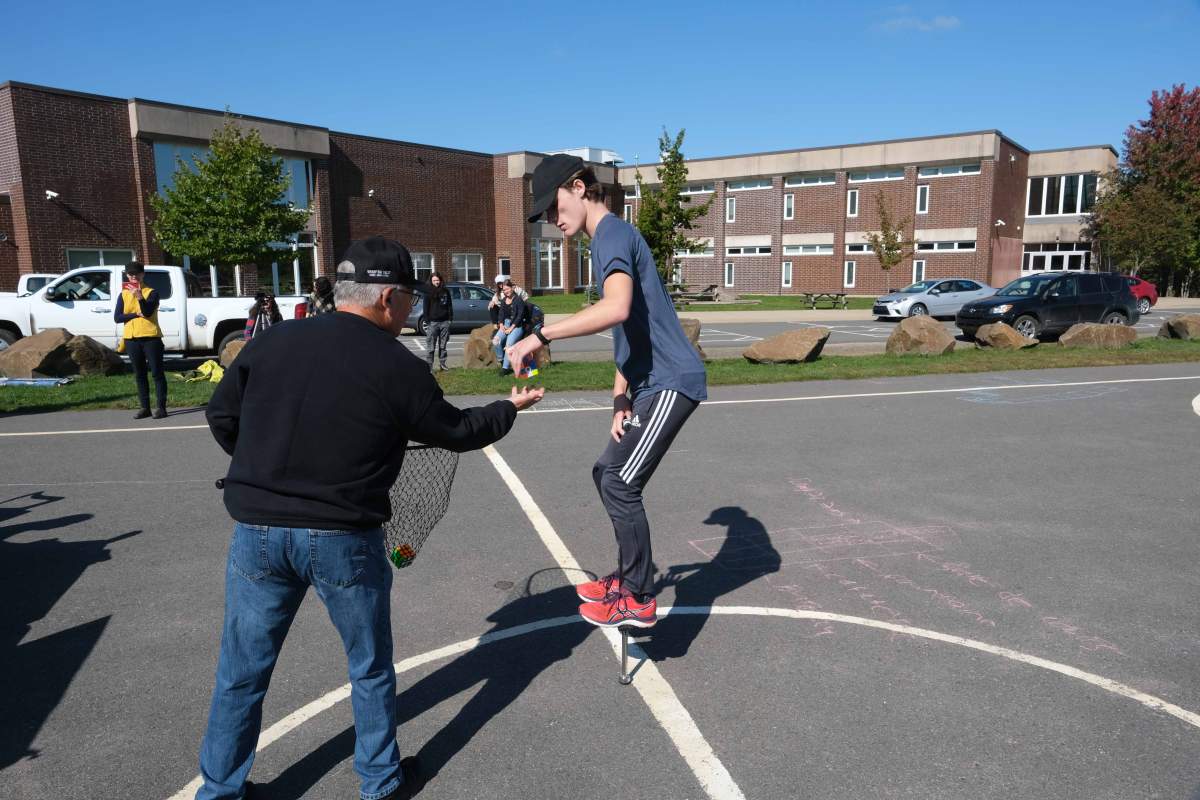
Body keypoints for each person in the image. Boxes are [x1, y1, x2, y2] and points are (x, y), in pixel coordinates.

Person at [200, 236, 544, 800]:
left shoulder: (274, 342)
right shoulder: (394, 363)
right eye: (408, 298)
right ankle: (380, 781)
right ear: (387, 297)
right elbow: (454, 431)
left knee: (241, 672)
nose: (410, 309)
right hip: (343, 536)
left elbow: (223, 417)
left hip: (257, 532)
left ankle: (219, 790)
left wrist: (263, 472)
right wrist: (509, 407)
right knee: (369, 666)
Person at [507, 154, 707, 629]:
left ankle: (637, 596)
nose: (553, 221)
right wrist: (620, 396)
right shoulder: (606, 240)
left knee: (620, 482)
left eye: (553, 207)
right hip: (646, 385)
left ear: (578, 187)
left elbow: (616, 309)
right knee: (606, 472)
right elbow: (629, 331)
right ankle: (628, 578)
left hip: (671, 381)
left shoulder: (612, 234)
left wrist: (541, 334)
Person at [112, 261, 168, 420]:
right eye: (130, 274)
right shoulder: (123, 294)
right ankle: (145, 408)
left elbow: (148, 312)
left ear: (143, 274)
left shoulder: (152, 292)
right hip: (131, 339)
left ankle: (161, 408)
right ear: (127, 275)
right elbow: (117, 317)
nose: (133, 276)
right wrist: (136, 314)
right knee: (139, 374)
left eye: (136, 273)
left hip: (151, 337)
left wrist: (140, 298)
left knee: (157, 373)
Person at [492, 279, 525, 375]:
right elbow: (501, 314)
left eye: (507, 289)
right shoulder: (503, 300)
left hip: (517, 326)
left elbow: (520, 316)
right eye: (504, 290)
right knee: (496, 341)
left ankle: (505, 368)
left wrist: (511, 328)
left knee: (508, 346)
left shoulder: (518, 300)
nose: (506, 292)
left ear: (512, 288)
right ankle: (501, 360)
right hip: (505, 324)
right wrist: (501, 325)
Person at [422, 272, 453, 370]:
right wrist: (427, 321)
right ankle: (429, 366)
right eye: (434, 280)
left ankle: (442, 364)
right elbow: (425, 307)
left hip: (445, 322)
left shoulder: (445, 291)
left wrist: (450, 319)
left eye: (438, 280)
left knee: (443, 345)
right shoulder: (428, 292)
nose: (436, 282)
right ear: (431, 281)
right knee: (431, 346)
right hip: (433, 323)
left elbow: (449, 305)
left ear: (441, 280)